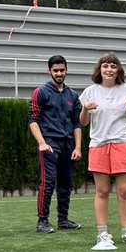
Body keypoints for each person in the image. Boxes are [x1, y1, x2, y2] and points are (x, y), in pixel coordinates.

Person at [79, 52, 126, 250]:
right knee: (102, 191)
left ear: (118, 70)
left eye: (113, 66)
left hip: (122, 143)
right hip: (98, 145)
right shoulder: (90, 91)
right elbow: (83, 122)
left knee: (123, 191)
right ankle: (103, 235)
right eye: (105, 66)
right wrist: (86, 109)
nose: (109, 69)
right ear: (99, 69)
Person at [28, 54, 82, 234]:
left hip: (68, 146)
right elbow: (33, 120)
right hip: (49, 144)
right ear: (49, 71)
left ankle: (63, 220)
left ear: (67, 70)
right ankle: (42, 221)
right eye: (56, 70)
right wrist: (42, 143)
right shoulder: (41, 92)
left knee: (66, 183)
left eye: (62, 70)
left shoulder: (73, 95)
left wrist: (78, 147)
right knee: (48, 182)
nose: (59, 74)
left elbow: (77, 123)